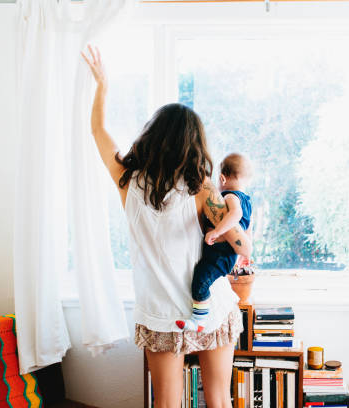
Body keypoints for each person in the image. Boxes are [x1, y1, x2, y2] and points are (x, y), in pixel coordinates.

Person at [81, 44, 251, 408]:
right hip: (209, 306)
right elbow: (241, 245)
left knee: (166, 404)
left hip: (159, 314)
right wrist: (235, 209)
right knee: (219, 400)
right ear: (194, 146)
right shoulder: (203, 188)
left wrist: (103, 86)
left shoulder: (127, 179)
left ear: (152, 137)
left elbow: (97, 131)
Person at [177, 153, 253, 332]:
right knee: (202, 277)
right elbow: (247, 230)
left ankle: (198, 319)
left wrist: (217, 231)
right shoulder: (248, 200)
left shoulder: (229, 196)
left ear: (222, 178)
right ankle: (198, 317)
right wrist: (244, 254)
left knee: (200, 280)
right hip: (228, 253)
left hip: (220, 253)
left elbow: (235, 215)